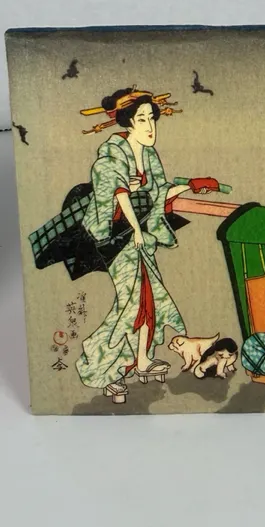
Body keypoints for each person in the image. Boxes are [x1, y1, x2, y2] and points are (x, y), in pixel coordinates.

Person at [73, 88, 217, 402]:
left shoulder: (149, 155)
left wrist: (190, 186)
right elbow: (118, 193)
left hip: (139, 238)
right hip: (117, 238)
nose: (150, 126)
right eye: (142, 119)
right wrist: (137, 229)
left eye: (152, 118)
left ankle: (141, 360)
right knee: (129, 304)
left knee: (150, 299)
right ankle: (100, 370)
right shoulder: (111, 154)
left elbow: (158, 194)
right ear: (127, 121)